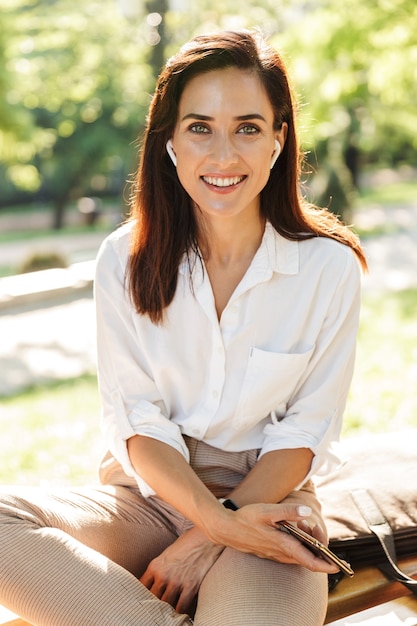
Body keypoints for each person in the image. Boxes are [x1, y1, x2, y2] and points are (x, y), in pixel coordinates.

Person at [0, 30, 367, 626]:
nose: (223, 156)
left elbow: (305, 432)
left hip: (267, 504)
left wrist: (205, 541)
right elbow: (136, 418)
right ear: (169, 141)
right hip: (148, 497)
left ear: (279, 140)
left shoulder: (328, 269)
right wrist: (210, 521)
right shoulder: (125, 258)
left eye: (248, 127)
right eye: (200, 127)